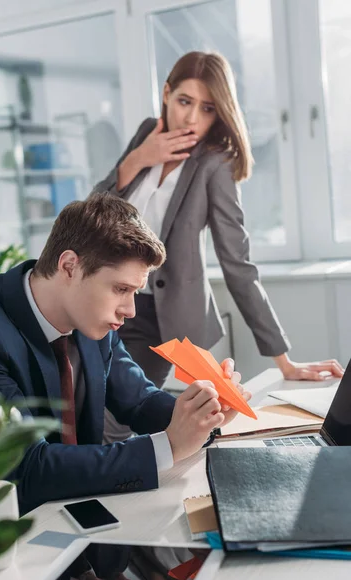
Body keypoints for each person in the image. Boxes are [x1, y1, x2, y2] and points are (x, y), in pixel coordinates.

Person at [92, 51, 343, 441]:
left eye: (207, 108)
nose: (192, 118)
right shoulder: (147, 133)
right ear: (166, 93)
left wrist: (284, 361)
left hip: (162, 316)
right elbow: (95, 213)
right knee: (84, 408)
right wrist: (139, 158)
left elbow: (237, 262)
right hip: (107, 301)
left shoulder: (215, 163)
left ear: (219, 112)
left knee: (113, 425)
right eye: (184, 102)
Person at [0, 192, 249, 515]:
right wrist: (170, 445)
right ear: (69, 267)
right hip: (21, 540)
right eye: (121, 289)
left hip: (91, 522)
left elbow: (139, 400)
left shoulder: (89, 317)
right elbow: (31, 466)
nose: (131, 310)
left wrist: (207, 412)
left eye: (135, 291)